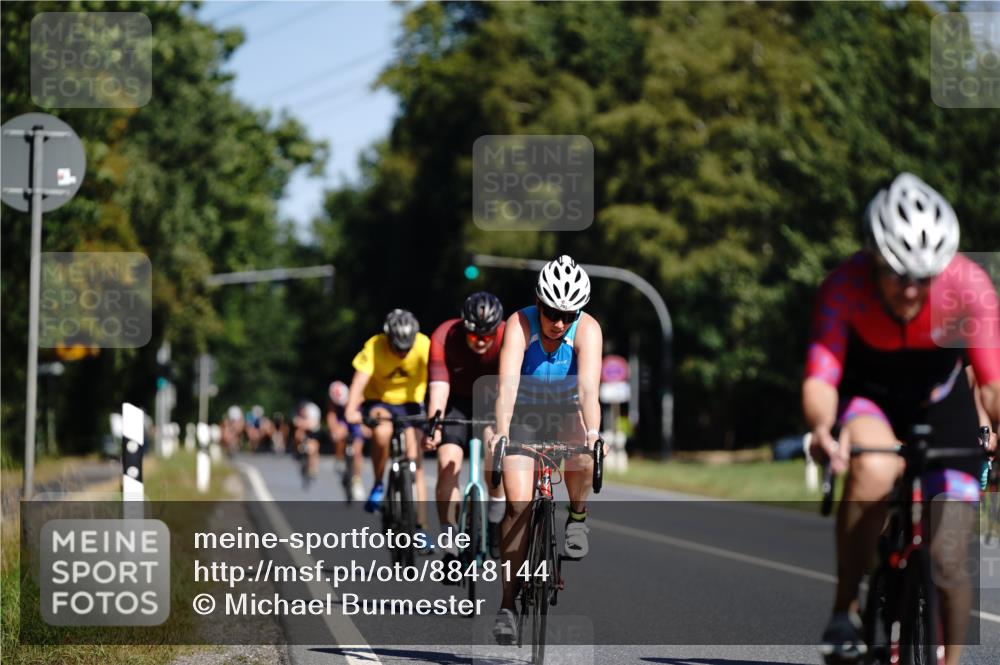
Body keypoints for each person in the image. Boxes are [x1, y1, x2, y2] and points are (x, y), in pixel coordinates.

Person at [804, 173, 1000, 665]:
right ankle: (845, 610)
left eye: (924, 277)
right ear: (873, 257)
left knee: (948, 557)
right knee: (874, 468)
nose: (911, 291)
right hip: (871, 399)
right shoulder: (844, 287)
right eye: (897, 275)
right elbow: (821, 379)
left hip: (942, 401)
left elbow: (992, 383)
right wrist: (823, 428)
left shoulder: (967, 284)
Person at [488, 255, 606, 644]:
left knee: (584, 449)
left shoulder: (588, 329)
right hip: (524, 414)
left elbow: (588, 390)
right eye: (552, 312)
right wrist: (501, 433)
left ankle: (577, 516)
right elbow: (506, 387)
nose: (558, 322)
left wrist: (594, 435)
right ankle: (507, 604)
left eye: (568, 315)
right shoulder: (519, 324)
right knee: (517, 506)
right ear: (538, 303)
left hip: (567, 412)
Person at [425, 292, 507, 568]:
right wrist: (434, 426)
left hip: (492, 401)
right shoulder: (444, 335)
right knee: (447, 462)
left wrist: (503, 427)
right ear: (464, 327)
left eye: (487, 335)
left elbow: (509, 387)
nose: (481, 341)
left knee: (495, 454)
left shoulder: (508, 336)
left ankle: (495, 516)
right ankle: (449, 540)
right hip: (456, 402)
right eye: (474, 335)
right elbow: (439, 387)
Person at [344, 309, 434, 551]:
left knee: (415, 461)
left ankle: (421, 527)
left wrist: (436, 411)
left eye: (406, 348)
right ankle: (378, 483)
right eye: (397, 348)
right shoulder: (374, 346)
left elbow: (438, 375)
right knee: (382, 432)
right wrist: (351, 408)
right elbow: (359, 380)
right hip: (380, 401)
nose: (402, 353)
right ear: (388, 338)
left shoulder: (424, 344)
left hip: (411, 404)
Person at [327, 380, 366, 502]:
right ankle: (339, 458)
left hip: (356, 421)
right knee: (338, 436)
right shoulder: (333, 403)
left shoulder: (358, 397)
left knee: (357, 451)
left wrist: (365, 426)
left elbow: (365, 412)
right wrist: (334, 430)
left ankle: (357, 480)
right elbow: (331, 417)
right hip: (343, 421)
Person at [292, 400, 323, 487]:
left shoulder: (313, 411)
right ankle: (297, 452)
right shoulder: (297, 411)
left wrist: (303, 423)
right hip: (303, 432)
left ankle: (313, 468)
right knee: (297, 434)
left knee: (314, 448)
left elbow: (314, 425)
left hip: (313, 432)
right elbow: (295, 423)